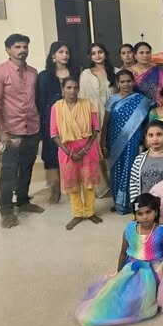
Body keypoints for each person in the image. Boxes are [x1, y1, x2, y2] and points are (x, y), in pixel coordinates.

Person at [75, 193, 163, 326]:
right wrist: (119, 273)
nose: (145, 217)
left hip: (154, 271)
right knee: (116, 293)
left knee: (138, 298)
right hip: (131, 268)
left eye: (148, 212)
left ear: (156, 212)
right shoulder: (129, 230)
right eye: (140, 213)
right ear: (135, 215)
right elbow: (123, 253)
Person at [0, 34, 44, 228]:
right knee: (9, 170)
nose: (22, 50)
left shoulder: (33, 73)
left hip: (32, 128)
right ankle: (6, 210)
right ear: (8, 50)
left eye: (25, 46)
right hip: (11, 131)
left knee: (27, 166)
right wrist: (3, 131)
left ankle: (23, 201)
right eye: (17, 47)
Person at [49, 77, 102, 230]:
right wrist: (69, 152)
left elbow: (95, 128)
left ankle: (90, 212)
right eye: (69, 87)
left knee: (89, 183)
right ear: (63, 90)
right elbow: (54, 133)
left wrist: (85, 149)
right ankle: (78, 214)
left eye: (75, 87)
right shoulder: (56, 107)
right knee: (72, 183)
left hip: (88, 150)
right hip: (67, 151)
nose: (72, 91)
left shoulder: (87, 104)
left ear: (79, 89)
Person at [101, 70, 153, 214]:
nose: (126, 84)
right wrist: (103, 143)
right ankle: (118, 203)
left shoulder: (142, 100)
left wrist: (145, 142)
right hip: (113, 141)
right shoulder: (112, 100)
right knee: (116, 171)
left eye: (128, 81)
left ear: (133, 82)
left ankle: (131, 204)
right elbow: (105, 123)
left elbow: (147, 124)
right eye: (122, 82)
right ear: (117, 83)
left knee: (131, 171)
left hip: (134, 141)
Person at [37, 41, 77, 203]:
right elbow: (40, 100)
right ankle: (55, 189)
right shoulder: (44, 76)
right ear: (53, 55)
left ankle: (74, 188)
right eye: (61, 52)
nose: (65, 55)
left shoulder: (75, 72)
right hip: (50, 118)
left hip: (73, 117)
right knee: (51, 154)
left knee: (72, 149)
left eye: (67, 52)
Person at [79, 43, 116, 198]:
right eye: (93, 53)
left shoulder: (115, 72)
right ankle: (101, 188)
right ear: (90, 56)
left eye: (100, 52)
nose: (97, 55)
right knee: (96, 151)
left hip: (113, 116)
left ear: (105, 53)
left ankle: (115, 185)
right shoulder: (85, 74)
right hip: (93, 116)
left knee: (111, 150)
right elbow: (82, 97)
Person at [129, 121, 163, 203]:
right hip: (145, 206)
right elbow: (133, 183)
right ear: (146, 138)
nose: (155, 139)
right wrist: (136, 204)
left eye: (159, 134)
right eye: (151, 135)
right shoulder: (139, 159)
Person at [130, 41, 163, 105]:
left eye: (148, 52)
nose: (145, 55)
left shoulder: (161, 71)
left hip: (157, 107)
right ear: (135, 55)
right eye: (141, 53)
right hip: (135, 107)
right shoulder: (129, 72)